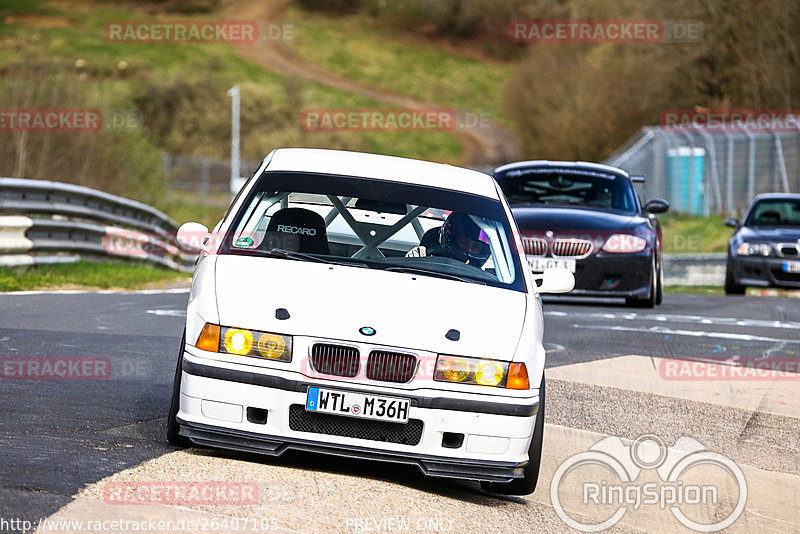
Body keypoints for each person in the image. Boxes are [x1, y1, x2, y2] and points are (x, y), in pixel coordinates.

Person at [406, 212, 491, 267]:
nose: (469, 249)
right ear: (453, 239)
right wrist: (412, 262)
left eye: (476, 246)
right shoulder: (427, 258)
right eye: (464, 242)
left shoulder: (488, 278)